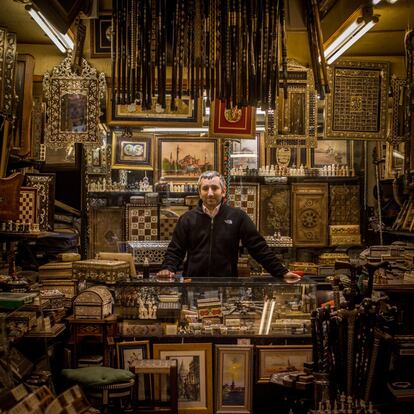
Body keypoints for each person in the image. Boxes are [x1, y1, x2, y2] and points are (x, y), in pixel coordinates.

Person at [157, 171, 300, 282]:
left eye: (214, 188)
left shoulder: (237, 217)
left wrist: (281, 272)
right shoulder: (187, 219)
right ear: (199, 192)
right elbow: (175, 250)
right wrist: (167, 268)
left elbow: (258, 248)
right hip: (193, 283)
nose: (210, 193)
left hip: (226, 284)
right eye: (205, 188)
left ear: (223, 191)